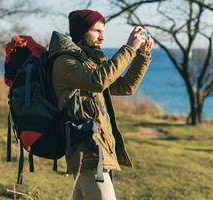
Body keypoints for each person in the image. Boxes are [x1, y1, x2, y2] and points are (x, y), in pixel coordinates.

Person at [48, 9, 154, 200]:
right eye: (97, 31)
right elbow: (99, 81)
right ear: (81, 32)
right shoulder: (65, 62)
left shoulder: (88, 62)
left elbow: (125, 86)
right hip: (86, 152)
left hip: (98, 149)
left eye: (103, 31)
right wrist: (129, 48)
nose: (103, 37)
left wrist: (142, 56)